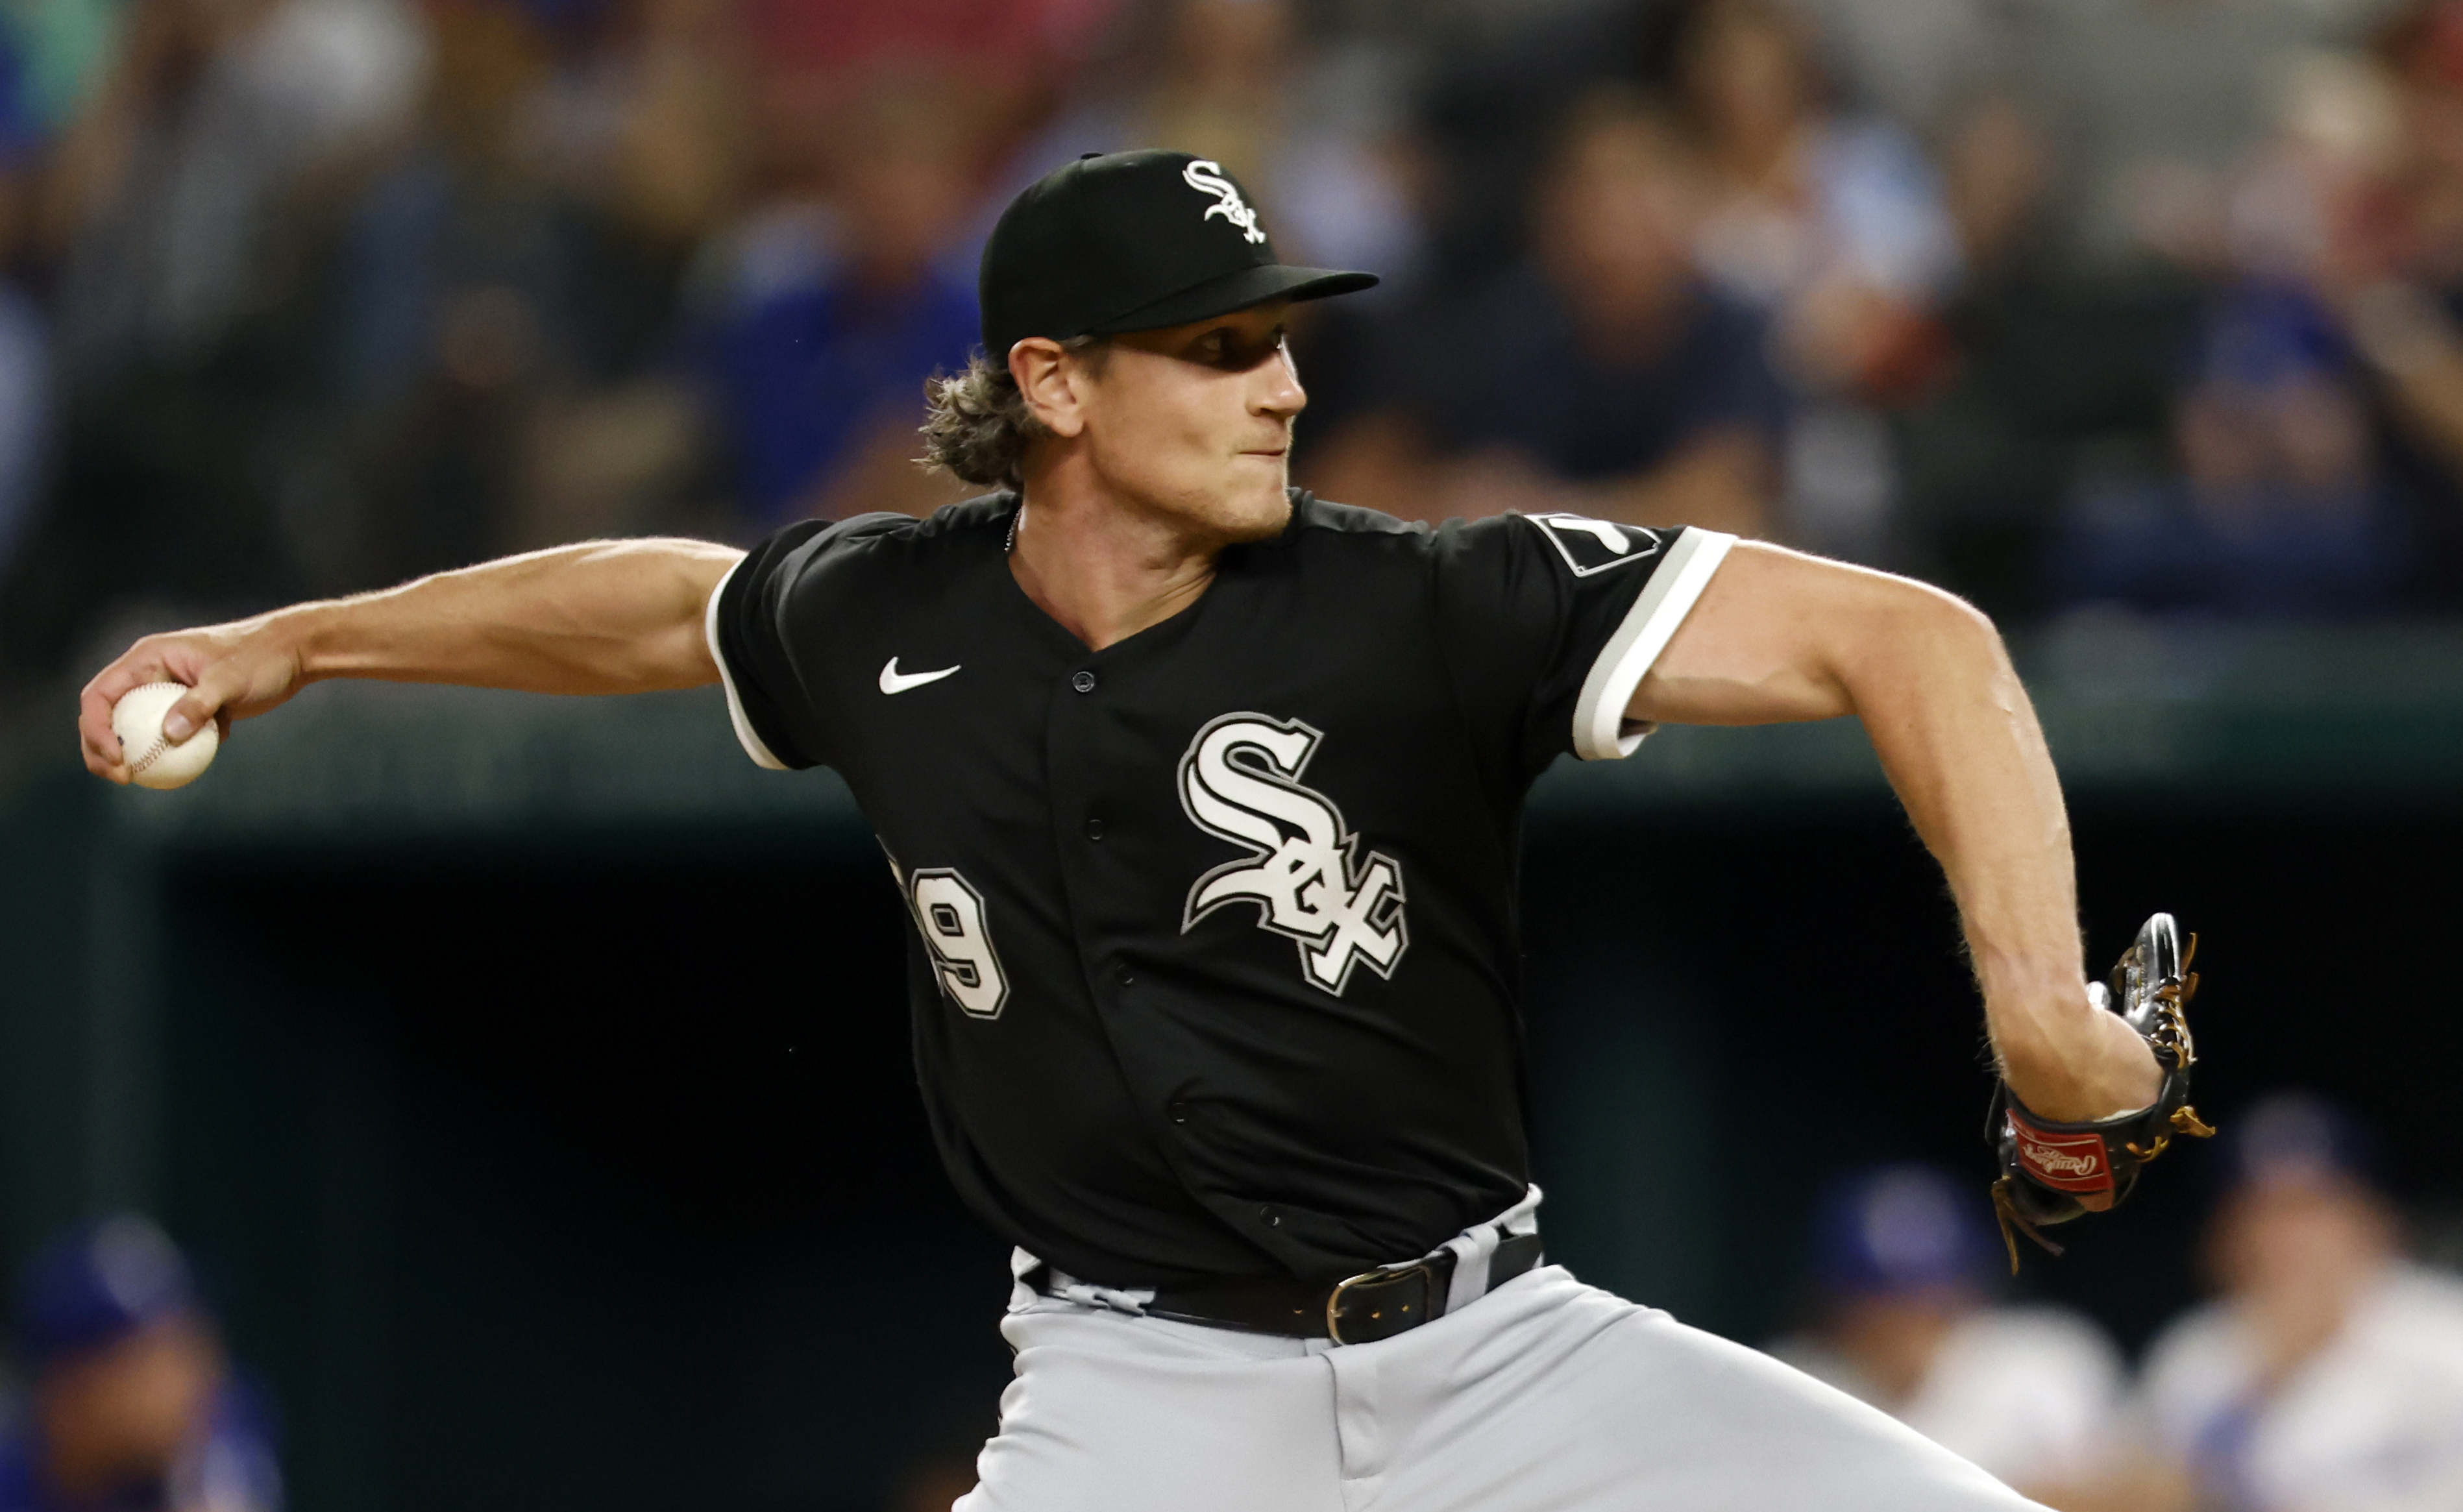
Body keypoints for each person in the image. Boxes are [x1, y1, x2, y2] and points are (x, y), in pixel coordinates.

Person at [77, 148, 2164, 1510]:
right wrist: (296, 640)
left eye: (1280, 341)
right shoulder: (882, 614)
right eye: (1220, 345)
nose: (1279, 386)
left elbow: (1910, 637)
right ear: (1055, 385)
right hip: (1141, 1398)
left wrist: (2035, 995)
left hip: (1512, 1359)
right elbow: (645, 600)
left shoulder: (1424, 598)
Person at [1305, 91, 1783, 535]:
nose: (1606, 220)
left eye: (1633, 188)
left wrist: (1536, 512)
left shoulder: (1733, 335)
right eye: (1586, 190)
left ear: (1688, 204)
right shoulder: (1513, 329)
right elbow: (1357, 481)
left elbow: (1720, 512)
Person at [2125, 1092, 2463, 1512]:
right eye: (2260, 1213)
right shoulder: (2197, 1358)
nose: (2285, 1239)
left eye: (2309, 1208)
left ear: (2371, 1219)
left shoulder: (2446, 1334)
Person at [1768, 1164, 2126, 1507]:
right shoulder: (1792, 1379)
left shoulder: (2044, 1357)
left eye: (1929, 1291)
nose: (1908, 1315)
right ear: (1835, 1304)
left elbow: (2136, 1494)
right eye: (1880, 1297)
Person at [0, 1216, 281, 1512]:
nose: (175, 1371)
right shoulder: (15, 1464)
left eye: (178, 1333)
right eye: (142, 1355)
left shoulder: (224, 1423)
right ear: (68, 1381)